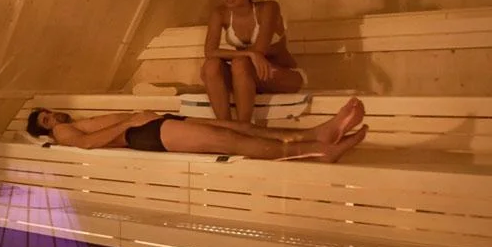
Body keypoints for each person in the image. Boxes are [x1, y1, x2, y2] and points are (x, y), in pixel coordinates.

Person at [25, 97, 366, 162]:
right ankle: (318, 151)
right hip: (144, 134)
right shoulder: (62, 135)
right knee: (230, 140)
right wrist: (129, 122)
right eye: (45, 121)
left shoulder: (72, 121)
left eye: (49, 113)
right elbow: (86, 144)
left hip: (156, 123)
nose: (52, 117)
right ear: (45, 132)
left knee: (240, 127)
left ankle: (318, 133)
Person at [202, 0, 302, 124]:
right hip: (244, 77)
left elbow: (260, 50)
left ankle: (244, 126)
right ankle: (225, 126)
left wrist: (252, 54)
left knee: (240, 64)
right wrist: (250, 54)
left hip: (281, 75)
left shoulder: (269, 8)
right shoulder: (220, 13)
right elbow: (209, 52)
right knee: (211, 66)